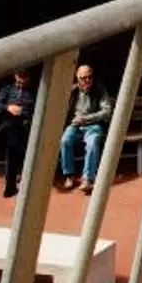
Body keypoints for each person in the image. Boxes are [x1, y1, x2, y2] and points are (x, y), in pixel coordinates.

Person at [56, 62, 113, 190]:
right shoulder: (72, 91)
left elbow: (107, 110)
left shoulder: (99, 89)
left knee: (92, 143)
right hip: (75, 126)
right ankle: (69, 175)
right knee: (65, 141)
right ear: (77, 78)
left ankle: (88, 178)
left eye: (90, 76)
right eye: (84, 78)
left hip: (94, 126)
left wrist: (86, 118)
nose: (88, 80)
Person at [0, 69, 37, 197]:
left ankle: (10, 183)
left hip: (25, 126)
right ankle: (11, 182)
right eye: (19, 76)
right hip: (8, 126)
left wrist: (21, 112)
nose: (21, 80)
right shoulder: (7, 89)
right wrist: (9, 107)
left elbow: (35, 109)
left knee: (13, 140)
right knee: (12, 139)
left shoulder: (33, 91)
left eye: (24, 77)